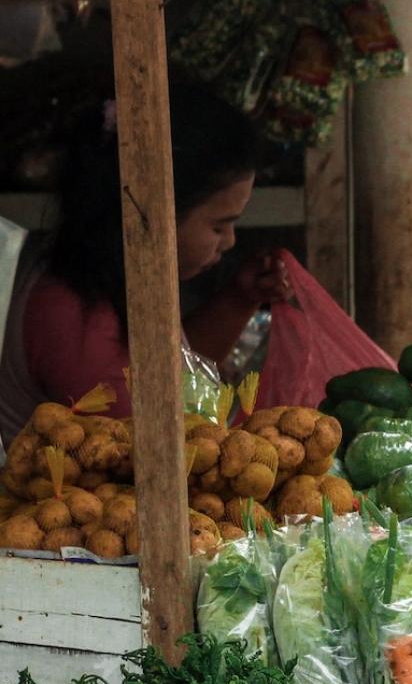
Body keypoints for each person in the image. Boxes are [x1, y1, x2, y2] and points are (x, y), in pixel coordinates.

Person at [0, 84, 290, 440]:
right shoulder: (74, 318)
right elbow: (159, 448)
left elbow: (175, 379)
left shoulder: (97, 276)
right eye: (219, 225)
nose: (229, 242)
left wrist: (239, 299)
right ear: (153, 212)